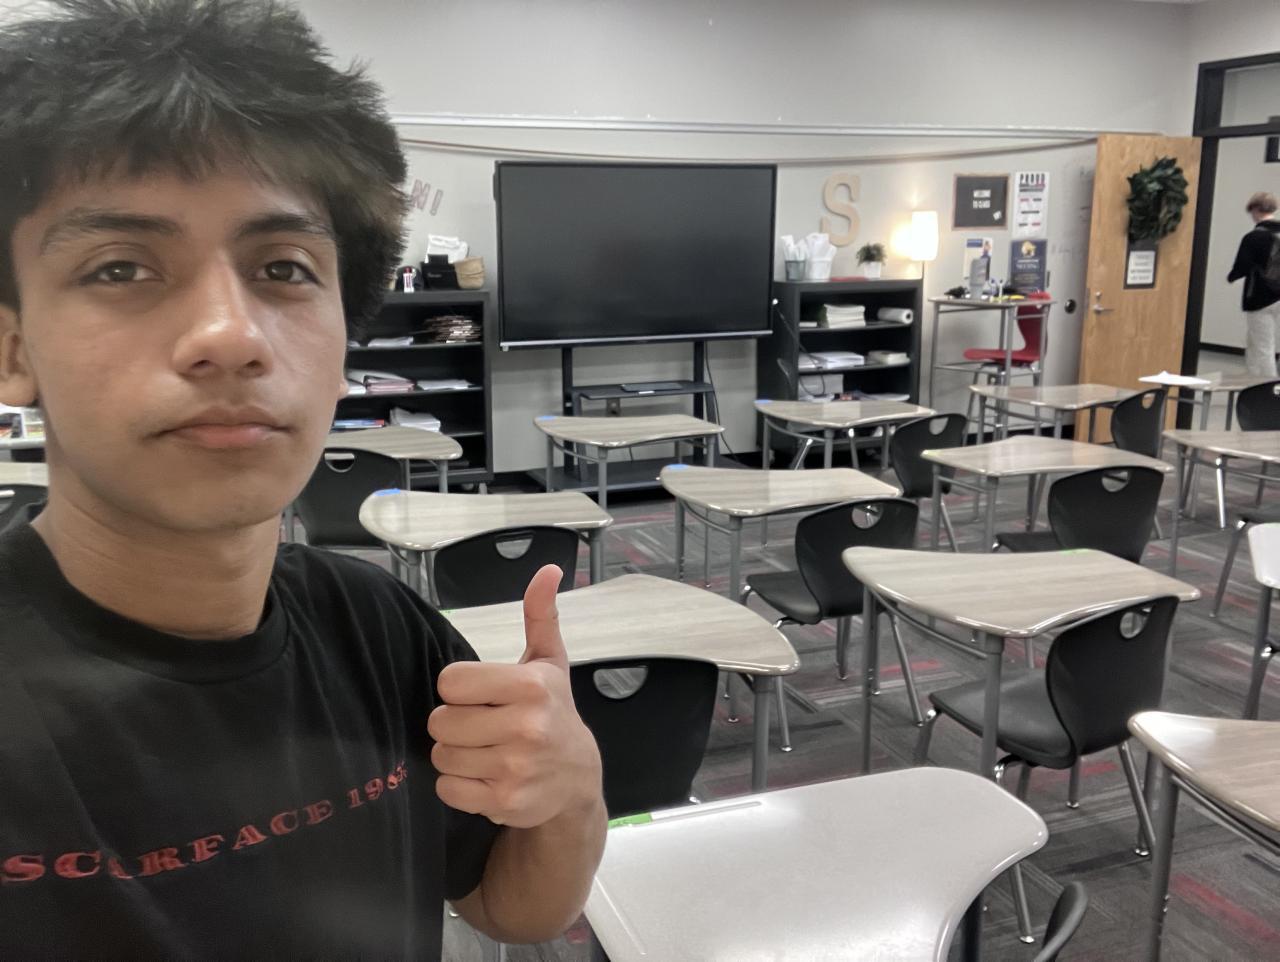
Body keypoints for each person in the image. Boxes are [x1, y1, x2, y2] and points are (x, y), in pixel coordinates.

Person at [0, 1, 605, 957]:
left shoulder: (381, 629)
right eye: (120, 269)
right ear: (12, 347)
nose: (231, 335)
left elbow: (510, 909)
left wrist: (571, 788)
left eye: (283, 267)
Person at [1227, 191, 1280, 376]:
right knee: (1254, 341)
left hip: (1261, 296)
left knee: (1263, 346)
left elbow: (1241, 266)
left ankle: (1268, 386)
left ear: (1256, 210)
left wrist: (1231, 277)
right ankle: (1252, 379)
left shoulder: (1253, 237)